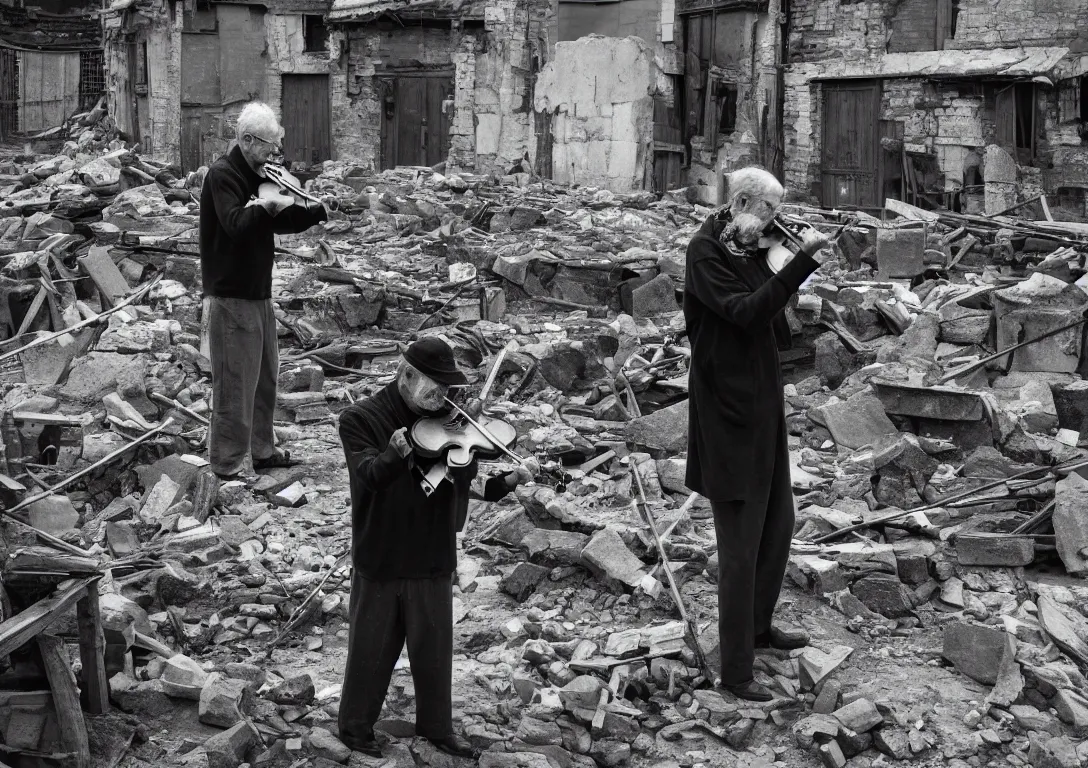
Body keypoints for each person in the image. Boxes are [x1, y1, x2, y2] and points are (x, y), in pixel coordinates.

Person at [337, 337, 540, 758]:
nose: (443, 396)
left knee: (433, 652)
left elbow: (466, 482)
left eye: (448, 388)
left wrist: (511, 481)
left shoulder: (451, 422)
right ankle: (355, 729)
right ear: (406, 374)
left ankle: (437, 727)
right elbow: (369, 476)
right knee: (371, 650)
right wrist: (395, 453)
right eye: (435, 386)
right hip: (383, 554)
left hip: (432, 552)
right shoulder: (360, 419)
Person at [683, 167, 832, 702]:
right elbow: (746, 313)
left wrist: (781, 257)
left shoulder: (744, 239)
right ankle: (736, 671)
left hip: (764, 405)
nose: (776, 221)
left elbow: (775, 321)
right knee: (740, 545)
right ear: (743, 201)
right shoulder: (706, 252)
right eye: (770, 210)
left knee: (777, 525)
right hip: (727, 414)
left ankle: (760, 629)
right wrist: (800, 265)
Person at [199, 101, 328, 480]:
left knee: (264, 379)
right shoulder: (223, 176)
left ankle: (262, 450)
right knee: (235, 383)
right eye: (269, 145)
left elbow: (282, 218)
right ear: (247, 140)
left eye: (277, 144)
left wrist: (317, 210)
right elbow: (237, 223)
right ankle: (227, 463)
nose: (275, 152)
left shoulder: (260, 173)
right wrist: (265, 206)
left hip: (258, 293)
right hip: (230, 294)